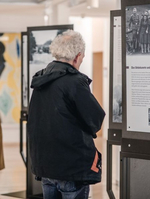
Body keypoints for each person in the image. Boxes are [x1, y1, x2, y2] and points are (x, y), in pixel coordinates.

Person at [27, 30, 105, 199]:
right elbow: (95, 120)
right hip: (71, 168)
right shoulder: (74, 82)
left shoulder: (41, 79)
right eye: (82, 57)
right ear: (77, 56)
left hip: (46, 166)